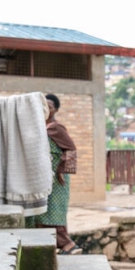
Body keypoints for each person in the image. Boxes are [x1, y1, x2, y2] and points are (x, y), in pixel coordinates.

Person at [27, 93, 81, 255]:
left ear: (55, 110)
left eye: (50, 107)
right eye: (44, 106)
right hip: (46, 177)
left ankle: (68, 244)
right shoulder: (40, 127)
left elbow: (71, 149)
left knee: (53, 211)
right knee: (44, 211)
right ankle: (60, 245)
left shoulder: (56, 128)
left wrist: (61, 170)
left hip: (58, 178)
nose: (47, 110)